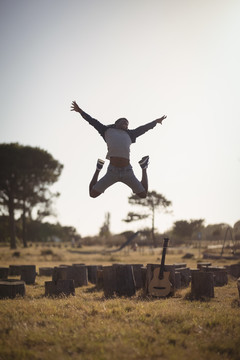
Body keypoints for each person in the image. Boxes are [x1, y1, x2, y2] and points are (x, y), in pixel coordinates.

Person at [71, 101, 166, 198]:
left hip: (127, 171)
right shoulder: (106, 130)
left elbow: (143, 128)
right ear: (116, 123)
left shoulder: (130, 134)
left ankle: (144, 167)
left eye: (127, 123)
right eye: (123, 121)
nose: (126, 123)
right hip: (112, 171)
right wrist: (80, 111)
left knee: (143, 194)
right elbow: (92, 121)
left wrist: (155, 122)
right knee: (93, 194)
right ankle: (98, 169)